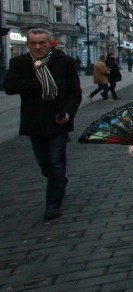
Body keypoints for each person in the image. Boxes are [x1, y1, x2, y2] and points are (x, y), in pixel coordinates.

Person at [4, 29, 82, 221]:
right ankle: (59, 180)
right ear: (27, 44)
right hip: (34, 122)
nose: (37, 47)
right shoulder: (19, 63)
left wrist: (68, 112)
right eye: (33, 43)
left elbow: (74, 92)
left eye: (41, 43)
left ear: (50, 43)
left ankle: (53, 204)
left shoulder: (64, 62)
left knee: (56, 162)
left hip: (58, 120)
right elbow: (9, 87)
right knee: (45, 164)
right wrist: (38, 84)